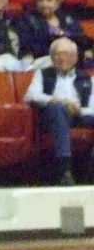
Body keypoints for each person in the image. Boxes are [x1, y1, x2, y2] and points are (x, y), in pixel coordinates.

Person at [23, 37, 94, 185]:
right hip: (52, 116)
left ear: (75, 58)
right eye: (58, 54)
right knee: (58, 109)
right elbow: (30, 95)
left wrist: (78, 109)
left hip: (79, 115)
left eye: (67, 54)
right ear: (51, 57)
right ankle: (64, 169)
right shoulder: (42, 74)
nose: (62, 58)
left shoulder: (88, 78)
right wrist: (56, 100)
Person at [17, 0, 92, 66]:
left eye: (49, 0)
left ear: (57, 2)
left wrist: (85, 51)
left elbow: (81, 39)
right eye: (41, 0)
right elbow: (29, 46)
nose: (44, 4)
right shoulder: (27, 20)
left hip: (73, 59)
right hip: (43, 60)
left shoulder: (68, 20)